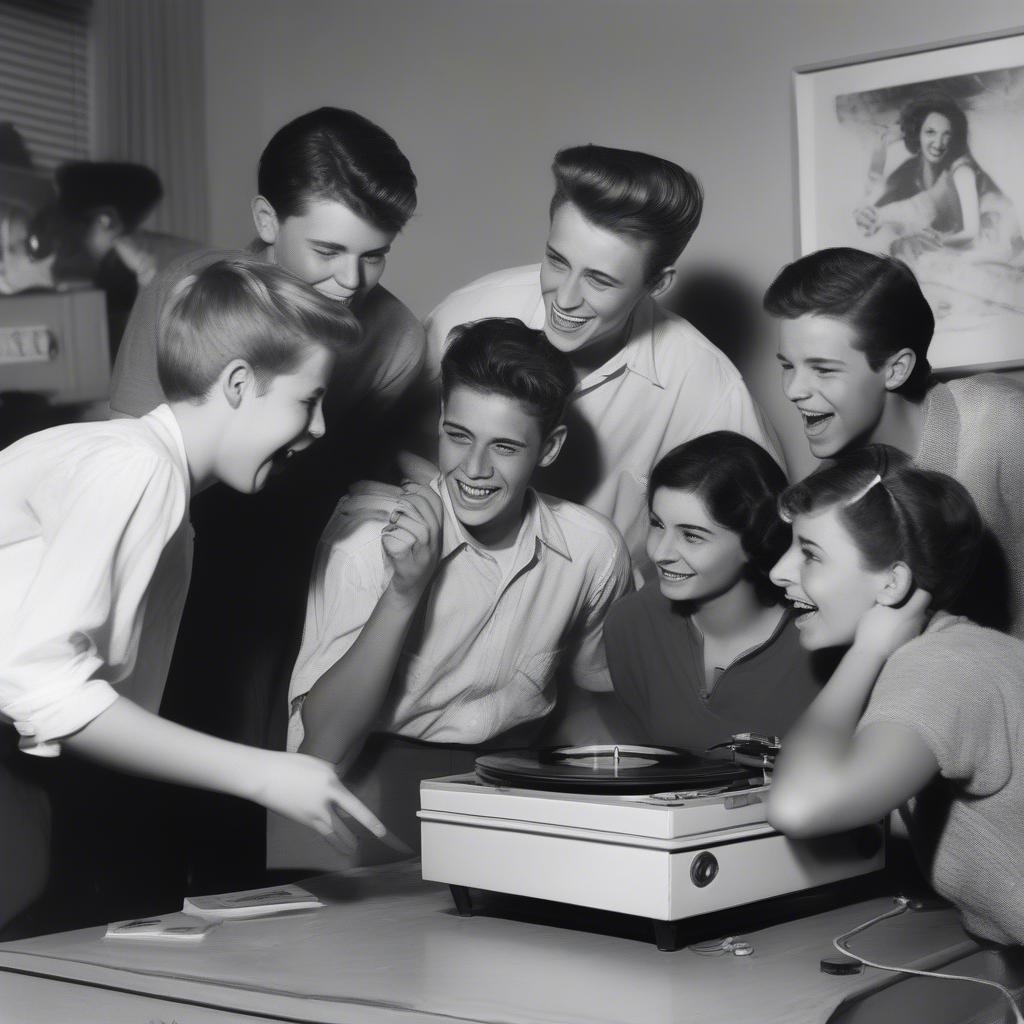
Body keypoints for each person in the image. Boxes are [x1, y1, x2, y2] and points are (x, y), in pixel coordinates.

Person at [0, 257, 386, 931]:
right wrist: (264, 774)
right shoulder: (136, 471)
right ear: (239, 384)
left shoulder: (152, 480)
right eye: (308, 399)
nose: (319, 429)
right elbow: (46, 689)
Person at [105, 109, 424, 891]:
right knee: (118, 829)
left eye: (374, 256)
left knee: (231, 850)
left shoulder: (397, 339)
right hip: (154, 565)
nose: (350, 281)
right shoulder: (186, 292)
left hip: (280, 584)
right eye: (327, 250)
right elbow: (131, 470)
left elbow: (350, 481)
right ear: (265, 222)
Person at [284, 318, 633, 859]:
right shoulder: (365, 543)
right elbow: (320, 749)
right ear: (441, 423)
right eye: (459, 436)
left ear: (550, 447)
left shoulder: (593, 550)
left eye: (505, 448)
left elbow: (596, 694)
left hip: (512, 798)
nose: (474, 469)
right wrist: (404, 591)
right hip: (358, 798)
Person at [421, 144, 779, 576]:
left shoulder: (705, 383)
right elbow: (386, 448)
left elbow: (768, 534)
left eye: (600, 280)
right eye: (557, 261)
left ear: (657, 283)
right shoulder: (466, 314)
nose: (566, 298)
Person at [767, 445, 1024, 947]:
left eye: (810, 553)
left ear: (892, 583)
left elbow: (798, 808)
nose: (779, 570)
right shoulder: (963, 651)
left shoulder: (942, 667)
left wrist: (867, 651)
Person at [764, 246, 1024, 637]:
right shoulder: (834, 492)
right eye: (788, 366)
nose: (794, 389)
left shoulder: (1003, 420)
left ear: (896, 369)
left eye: (822, 369)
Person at [604, 432, 822, 753]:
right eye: (657, 524)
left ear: (755, 539)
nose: (661, 552)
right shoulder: (631, 623)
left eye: (691, 536)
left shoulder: (822, 634)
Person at [854, 94, 1022, 261]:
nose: (938, 143)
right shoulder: (909, 170)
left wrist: (935, 243)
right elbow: (871, 217)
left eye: (946, 134)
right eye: (930, 132)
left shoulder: (962, 171)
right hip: (952, 245)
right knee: (902, 247)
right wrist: (880, 148)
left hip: (992, 245)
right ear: (917, 133)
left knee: (909, 248)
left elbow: (972, 233)